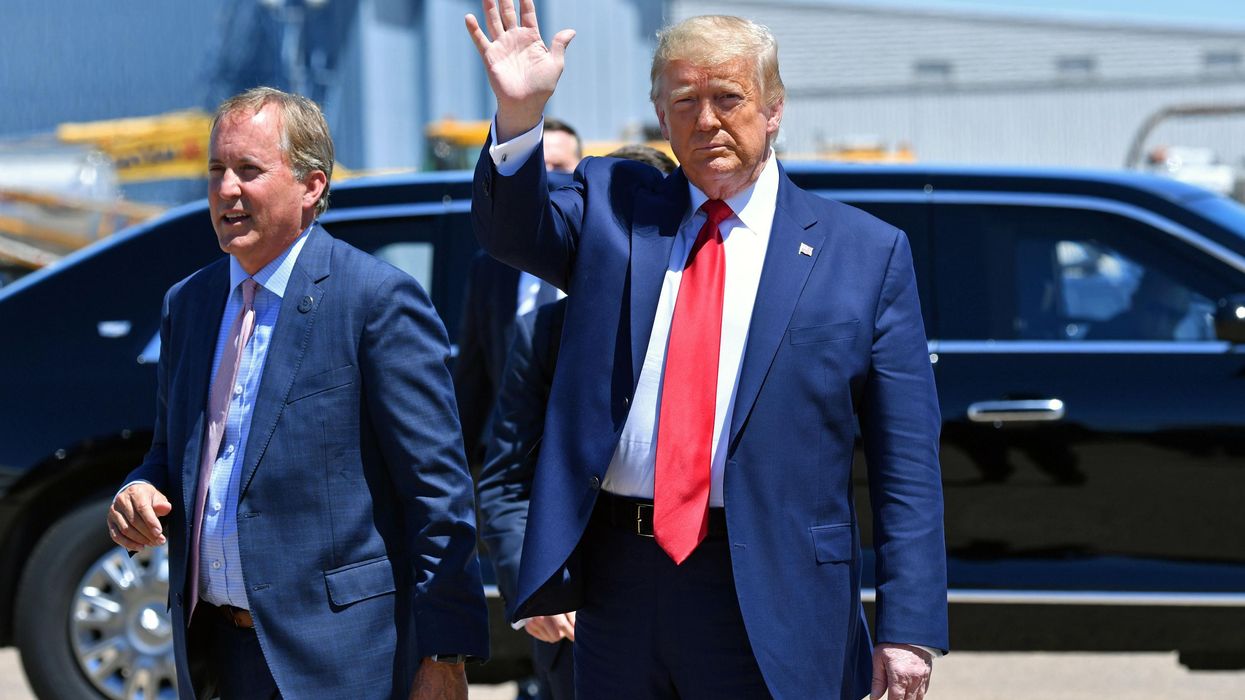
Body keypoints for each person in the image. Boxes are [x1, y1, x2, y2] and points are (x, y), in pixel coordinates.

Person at [465, 2, 947, 699]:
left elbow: (905, 465)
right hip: (621, 583)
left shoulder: (863, 253)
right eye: (684, 101)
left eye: (729, 98)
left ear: (773, 108)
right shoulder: (614, 208)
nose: (706, 120)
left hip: (779, 589)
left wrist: (908, 626)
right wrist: (518, 118)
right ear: (659, 115)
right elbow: (513, 231)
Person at [106, 87, 488, 700]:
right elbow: (169, 452)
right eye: (216, 170)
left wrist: (446, 653)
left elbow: (437, 492)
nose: (226, 189)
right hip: (217, 657)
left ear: (311, 186)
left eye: (249, 171)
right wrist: (139, 489)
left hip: (342, 660)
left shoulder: (375, 301)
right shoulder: (190, 303)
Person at [476, 147, 673, 700]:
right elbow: (505, 480)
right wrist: (536, 589)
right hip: (578, 617)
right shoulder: (544, 334)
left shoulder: (717, 322)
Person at [452, 117, 580, 470]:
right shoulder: (491, 266)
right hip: (514, 459)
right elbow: (473, 374)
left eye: (560, 167)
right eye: (541, 166)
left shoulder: (599, 258)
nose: (548, 177)